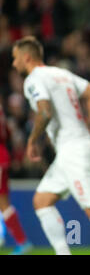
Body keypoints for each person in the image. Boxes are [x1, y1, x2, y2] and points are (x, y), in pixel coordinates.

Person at [11, 36, 90, 255]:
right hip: (71, 149)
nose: (14, 64)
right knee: (42, 200)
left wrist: (32, 140)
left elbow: (44, 111)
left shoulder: (33, 79)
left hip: (73, 151)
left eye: (15, 59)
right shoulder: (61, 73)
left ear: (26, 57)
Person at [0, 102, 32, 254]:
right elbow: (8, 132)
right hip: (3, 156)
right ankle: (20, 241)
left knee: (3, 202)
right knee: (3, 202)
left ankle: (21, 241)